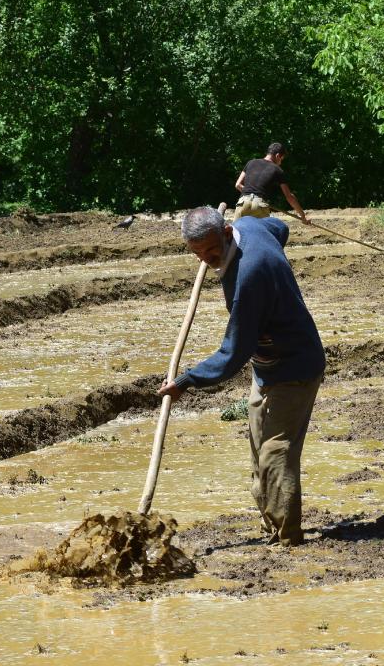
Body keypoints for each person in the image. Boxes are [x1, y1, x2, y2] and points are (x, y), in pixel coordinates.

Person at [158, 207, 325, 546]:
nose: (207, 260)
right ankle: (271, 526)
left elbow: (232, 353)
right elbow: (279, 229)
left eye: (212, 250)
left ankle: (288, 539)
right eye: (198, 253)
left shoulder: (248, 276)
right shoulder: (252, 226)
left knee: (275, 453)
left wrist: (186, 381)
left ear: (227, 230)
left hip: (294, 366)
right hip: (266, 366)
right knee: (258, 451)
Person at [234, 142, 310, 223]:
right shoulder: (277, 170)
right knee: (261, 235)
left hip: (242, 203)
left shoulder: (251, 162)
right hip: (260, 206)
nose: (280, 163)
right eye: (281, 160)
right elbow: (289, 197)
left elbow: (238, 185)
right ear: (277, 156)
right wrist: (303, 216)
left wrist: (250, 195)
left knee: (235, 234)